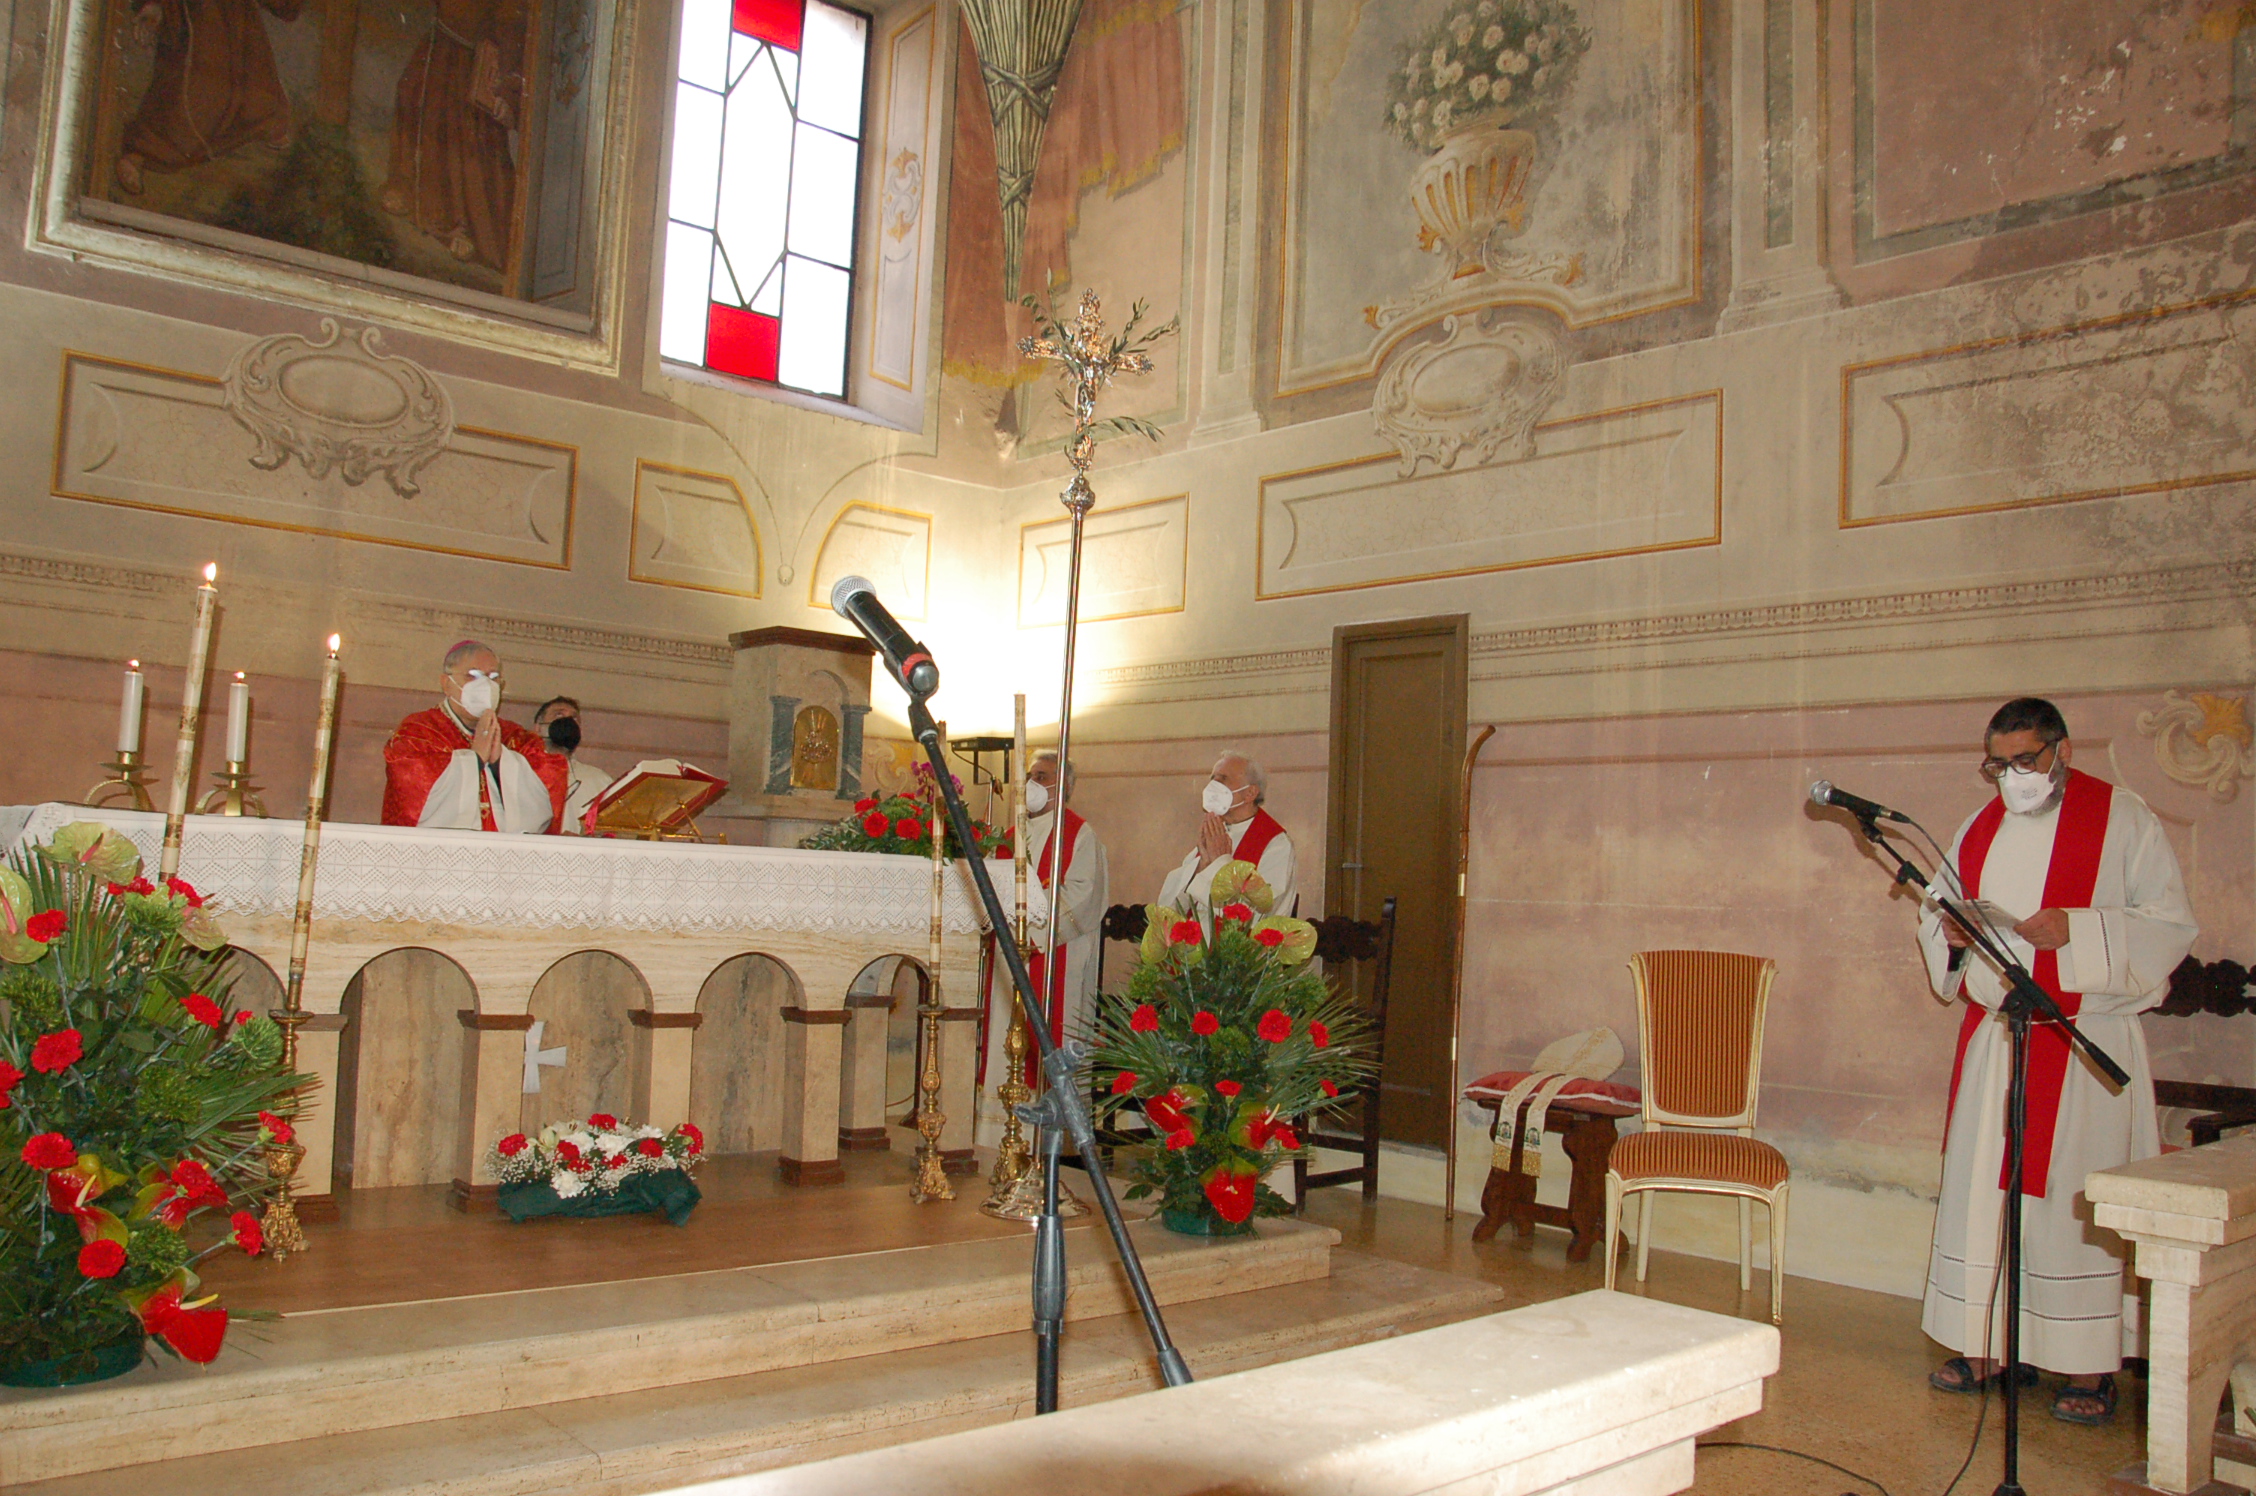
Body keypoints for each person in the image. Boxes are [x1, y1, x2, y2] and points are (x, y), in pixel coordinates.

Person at [1915, 697, 2196, 1425]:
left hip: (2082, 1040)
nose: (2012, 776)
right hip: (1999, 1044)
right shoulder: (1980, 827)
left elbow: (2169, 924)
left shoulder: (2122, 819)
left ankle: (2087, 1362)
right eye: (1998, 764)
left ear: (2062, 750)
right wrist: (1951, 932)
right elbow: (1937, 913)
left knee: (2073, 1205)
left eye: (2025, 760)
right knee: (1988, 1197)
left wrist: (2078, 928)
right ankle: (1989, 1343)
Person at [983, 751, 1107, 1101]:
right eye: (1030, 776)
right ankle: (1000, 1120)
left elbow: (1084, 896)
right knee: (1004, 1031)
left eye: (1041, 777)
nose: (1031, 783)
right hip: (1010, 954)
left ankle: (1053, 1123)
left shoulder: (1080, 835)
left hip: (1055, 954)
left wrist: (1030, 933)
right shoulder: (1011, 835)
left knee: (1052, 1031)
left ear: (1063, 786)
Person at [113, 0, 303, 195]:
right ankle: (139, 155)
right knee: (193, 97)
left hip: (239, 18)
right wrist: (155, 4)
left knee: (257, 90)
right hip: (196, 18)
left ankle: (266, 124)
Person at [382, 640, 567, 833]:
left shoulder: (516, 737)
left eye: (493, 677)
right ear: (446, 683)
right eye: (473, 675)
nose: (485, 684)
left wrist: (501, 762)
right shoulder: (419, 730)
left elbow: (550, 783)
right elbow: (410, 791)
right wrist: (474, 759)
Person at [1157, 751, 1295, 919]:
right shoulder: (1215, 834)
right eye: (1212, 779)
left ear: (1250, 793)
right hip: (1195, 935)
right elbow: (1168, 908)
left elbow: (1258, 913)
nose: (1213, 785)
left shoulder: (1276, 844)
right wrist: (1199, 869)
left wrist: (1219, 863)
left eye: (1222, 779)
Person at [532, 696, 613, 835]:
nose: (568, 722)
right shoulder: (521, 771)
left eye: (574, 719)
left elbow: (611, 833)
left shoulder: (600, 781)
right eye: (559, 715)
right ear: (538, 728)